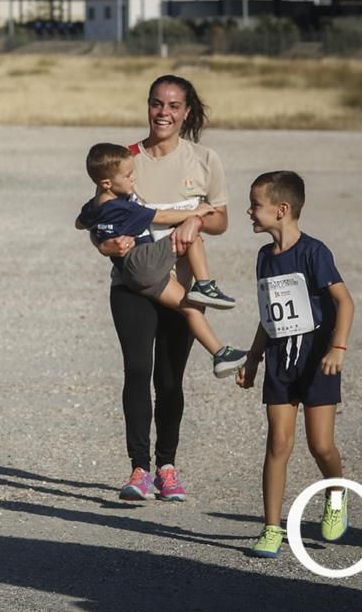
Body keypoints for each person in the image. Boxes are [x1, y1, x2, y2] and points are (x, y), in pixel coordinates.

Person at [95, 74, 230, 502]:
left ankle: (166, 468)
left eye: (173, 106)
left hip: (183, 291)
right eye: (157, 103)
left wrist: (196, 219)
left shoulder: (205, 158)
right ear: (148, 105)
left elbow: (221, 220)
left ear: (187, 112)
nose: (163, 113)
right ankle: (138, 470)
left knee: (169, 380)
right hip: (133, 284)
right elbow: (102, 218)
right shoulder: (125, 159)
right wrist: (104, 245)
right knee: (136, 371)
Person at [235, 171, 355, 559]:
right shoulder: (263, 257)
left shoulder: (314, 252)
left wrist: (337, 347)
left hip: (318, 362)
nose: (249, 211)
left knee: (320, 445)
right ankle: (271, 528)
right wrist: (253, 358)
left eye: (256, 205)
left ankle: (336, 492)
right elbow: (268, 315)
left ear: (281, 210)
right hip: (279, 364)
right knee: (278, 444)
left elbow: (345, 302)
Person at [76, 143, 247, 378]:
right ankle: (205, 285)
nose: (134, 178)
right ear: (106, 183)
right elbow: (163, 216)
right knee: (188, 232)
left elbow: (80, 222)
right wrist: (196, 213)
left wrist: (104, 234)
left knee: (190, 307)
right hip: (142, 260)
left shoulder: (95, 206)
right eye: (128, 175)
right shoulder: (121, 207)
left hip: (133, 275)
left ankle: (220, 354)